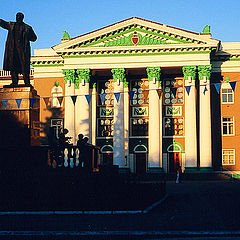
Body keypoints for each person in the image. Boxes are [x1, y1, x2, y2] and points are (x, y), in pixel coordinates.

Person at [0, 12, 37, 86]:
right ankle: (14, 82)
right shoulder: (11, 25)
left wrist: (27, 37)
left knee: (24, 67)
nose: (18, 17)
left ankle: (27, 82)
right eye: (17, 16)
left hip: (23, 50)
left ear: (22, 18)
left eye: (19, 16)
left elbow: (34, 38)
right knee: (13, 65)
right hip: (13, 49)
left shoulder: (27, 28)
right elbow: (2, 23)